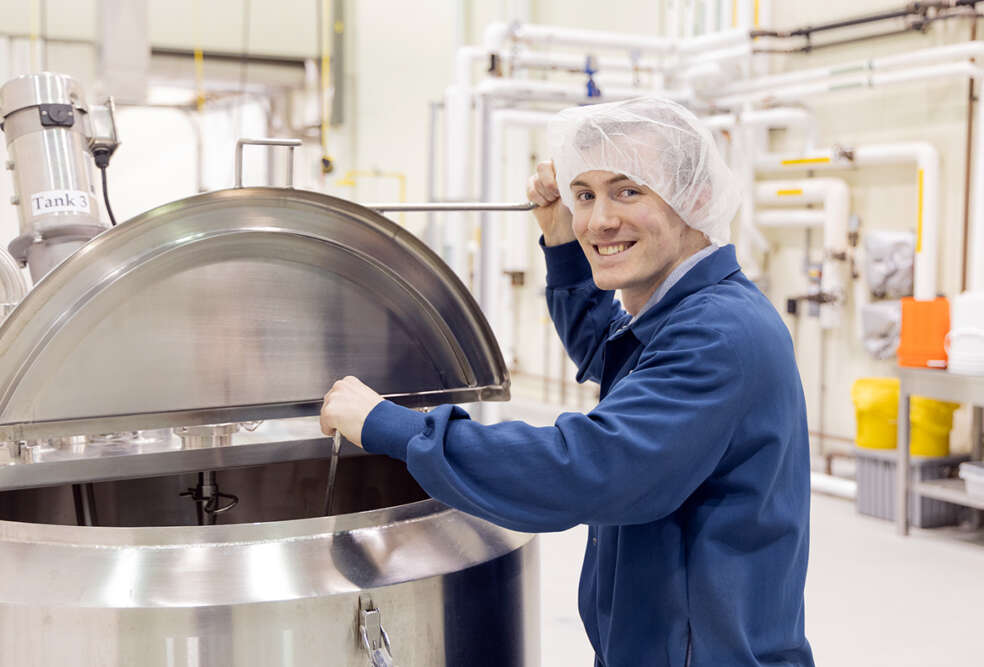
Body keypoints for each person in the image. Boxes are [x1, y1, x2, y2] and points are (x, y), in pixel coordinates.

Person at [320, 96, 815, 667]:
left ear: (694, 197)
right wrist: (560, 240)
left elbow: (587, 468)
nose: (599, 220)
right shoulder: (680, 311)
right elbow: (611, 350)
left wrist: (393, 426)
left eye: (628, 191)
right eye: (585, 195)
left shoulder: (717, 333)